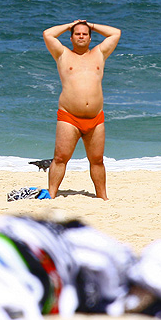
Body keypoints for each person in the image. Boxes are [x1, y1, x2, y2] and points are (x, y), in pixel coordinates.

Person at [43, 20, 121, 200]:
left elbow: (115, 33)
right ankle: (51, 195)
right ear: (70, 37)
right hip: (68, 117)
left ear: (90, 38)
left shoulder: (100, 53)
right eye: (77, 33)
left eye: (85, 34)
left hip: (96, 118)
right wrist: (72, 24)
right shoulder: (62, 54)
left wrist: (91, 25)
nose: (81, 36)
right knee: (60, 158)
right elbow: (48, 34)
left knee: (97, 161)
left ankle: (103, 197)